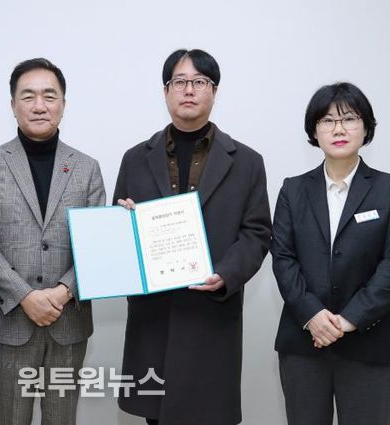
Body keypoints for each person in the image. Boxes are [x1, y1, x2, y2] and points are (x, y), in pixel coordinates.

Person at [114, 48, 271, 425]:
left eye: (199, 81)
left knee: (209, 414)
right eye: (179, 81)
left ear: (214, 91)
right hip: (154, 317)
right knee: (155, 415)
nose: (189, 90)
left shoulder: (247, 161)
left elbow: (257, 232)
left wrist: (226, 275)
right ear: (165, 91)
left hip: (211, 314)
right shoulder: (135, 158)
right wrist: (123, 225)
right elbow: (118, 236)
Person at [0, 57, 106, 425]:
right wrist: (26, 296)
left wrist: (62, 292)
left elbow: (96, 244)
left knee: (62, 418)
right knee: (12, 417)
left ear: (63, 104)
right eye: (28, 96)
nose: (39, 105)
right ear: (13, 105)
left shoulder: (87, 168)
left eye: (49, 95)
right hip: (10, 320)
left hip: (68, 319)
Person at [272, 82, 390, 425]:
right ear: (314, 131)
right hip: (304, 343)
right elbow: (284, 259)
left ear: (366, 128)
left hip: (370, 344)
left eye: (349, 118)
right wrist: (313, 315)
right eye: (327, 120)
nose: (338, 129)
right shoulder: (293, 190)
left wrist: (347, 320)